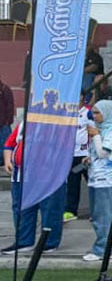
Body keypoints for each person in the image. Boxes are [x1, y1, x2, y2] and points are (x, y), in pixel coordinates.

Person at [2, 121, 66, 254]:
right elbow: (10, 144)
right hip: (22, 175)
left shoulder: (57, 123)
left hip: (49, 175)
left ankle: (49, 243)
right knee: (22, 209)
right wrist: (8, 160)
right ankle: (23, 241)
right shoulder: (23, 123)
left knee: (50, 209)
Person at [83, 99, 112, 262]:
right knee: (99, 215)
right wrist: (89, 158)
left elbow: (103, 153)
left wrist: (95, 136)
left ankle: (101, 250)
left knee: (103, 217)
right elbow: (97, 153)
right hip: (96, 177)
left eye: (97, 113)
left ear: (108, 113)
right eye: (93, 112)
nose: (94, 116)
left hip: (107, 179)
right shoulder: (102, 129)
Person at [63, 102, 93, 221]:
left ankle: (96, 211)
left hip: (85, 156)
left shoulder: (88, 112)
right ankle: (71, 211)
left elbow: (94, 132)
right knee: (72, 184)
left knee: (92, 182)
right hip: (71, 155)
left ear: (81, 97)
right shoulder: (67, 111)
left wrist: (91, 153)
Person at [0, 73, 15, 150]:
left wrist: (7, 122)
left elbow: (10, 107)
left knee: (5, 149)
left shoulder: (5, 90)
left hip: (4, 127)